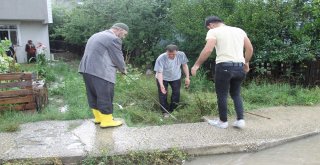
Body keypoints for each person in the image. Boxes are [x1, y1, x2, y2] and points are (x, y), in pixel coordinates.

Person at [191, 16, 253, 129]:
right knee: (236, 94)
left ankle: (223, 122)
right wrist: (246, 62)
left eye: (208, 28)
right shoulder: (239, 30)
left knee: (222, 95)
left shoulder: (213, 31)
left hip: (224, 67)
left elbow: (208, 49)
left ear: (210, 25)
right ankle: (240, 120)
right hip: (239, 67)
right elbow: (249, 49)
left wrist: (196, 65)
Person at [79, 23, 129, 128]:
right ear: (119, 30)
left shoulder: (96, 35)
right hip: (101, 71)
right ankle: (107, 121)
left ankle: (98, 118)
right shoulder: (113, 39)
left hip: (86, 69)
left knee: (93, 94)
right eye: (124, 34)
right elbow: (117, 56)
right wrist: (123, 69)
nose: (123, 37)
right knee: (105, 95)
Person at [154, 44, 190, 118]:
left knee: (176, 94)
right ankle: (165, 112)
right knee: (163, 94)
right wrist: (161, 85)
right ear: (166, 52)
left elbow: (184, 65)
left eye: (173, 54)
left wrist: (187, 77)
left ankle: (173, 110)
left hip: (176, 77)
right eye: (169, 54)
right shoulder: (161, 58)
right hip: (163, 78)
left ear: (177, 52)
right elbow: (159, 73)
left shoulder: (181, 55)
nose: (171, 56)